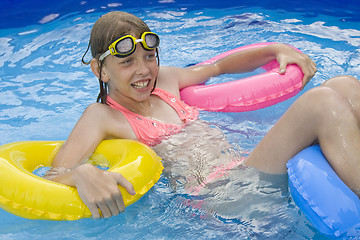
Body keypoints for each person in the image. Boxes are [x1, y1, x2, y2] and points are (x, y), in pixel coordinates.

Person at [45, 11, 359, 219]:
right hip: (216, 197)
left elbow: (217, 67)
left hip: (242, 171)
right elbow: (54, 174)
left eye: (149, 56)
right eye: (127, 63)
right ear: (100, 70)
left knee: (344, 85)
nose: (143, 70)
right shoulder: (101, 116)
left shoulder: (165, 82)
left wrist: (275, 50)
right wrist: (82, 174)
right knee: (321, 103)